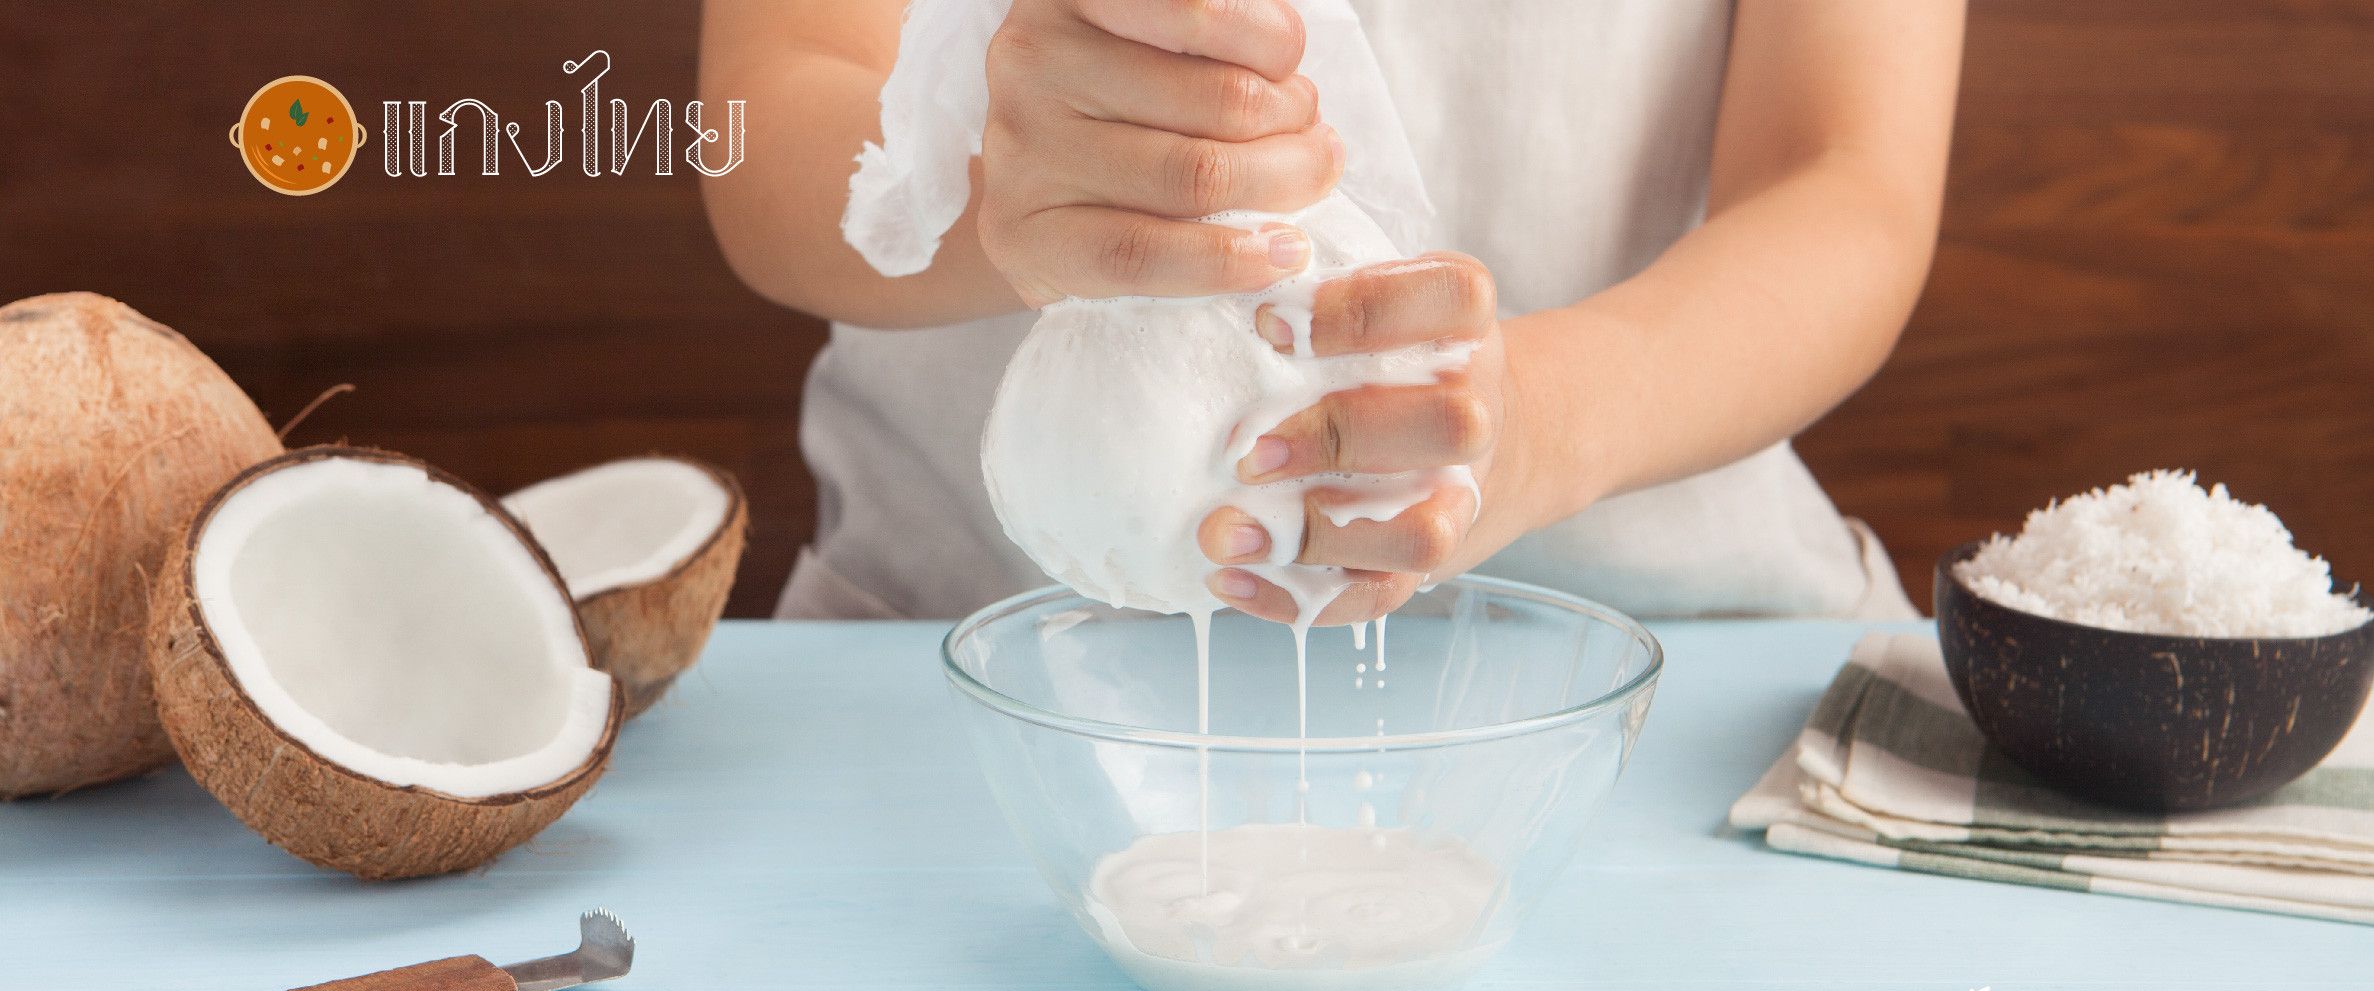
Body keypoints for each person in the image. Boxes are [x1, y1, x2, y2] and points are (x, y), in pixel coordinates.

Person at [699, 0, 1965, 623]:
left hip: (1674, 657)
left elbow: (1842, 178)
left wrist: (1533, 422)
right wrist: (1000, 187)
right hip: (953, 655)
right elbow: (761, 121)